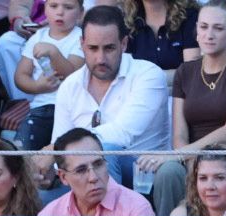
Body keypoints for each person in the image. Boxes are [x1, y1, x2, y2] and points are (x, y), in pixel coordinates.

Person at [144, 0, 226, 216]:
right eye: (204, 27)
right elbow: (179, 135)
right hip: (191, 159)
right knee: (168, 171)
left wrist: (193, 157)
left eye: (218, 28)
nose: (209, 35)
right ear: (196, 30)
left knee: (206, 169)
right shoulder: (185, 71)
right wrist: (191, 160)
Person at [48, 5, 170, 188]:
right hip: (82, 177)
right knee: (39, 192)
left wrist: (58, 149)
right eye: (93, 48)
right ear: (81, 45)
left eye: (109, 48)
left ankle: (107, 215)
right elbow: (59, 154)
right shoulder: (70, 86)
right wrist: (46, 171)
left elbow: (121, 135)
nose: (100, 58)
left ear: (124, 44)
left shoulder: (149, 75)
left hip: (142, 176)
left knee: (107, 152)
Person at [11, 0, 86, 150]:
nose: (60, 12)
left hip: (72, 109)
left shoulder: (81, 38)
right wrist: (37, 86)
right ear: (44, 9)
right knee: (23, 147)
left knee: (67, 150)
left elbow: (71, 74)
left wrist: (54, 52)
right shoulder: (38, 37)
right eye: (53, 6)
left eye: (68, 7)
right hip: (41, 108)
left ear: (81, 12)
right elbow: (20, 76)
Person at [122, 0, 199, 72]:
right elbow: (125, 73)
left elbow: (191, 73)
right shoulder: (127, 21)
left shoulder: (189, 16)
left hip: (180, 86)